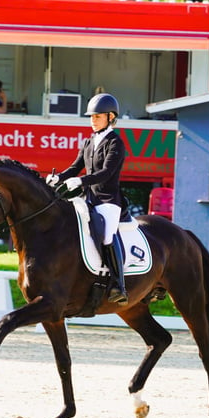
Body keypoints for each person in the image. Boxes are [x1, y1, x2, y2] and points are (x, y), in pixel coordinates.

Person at [46, 92, 128, 305]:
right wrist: (59, 177)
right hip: (88, 199)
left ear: (111, 117)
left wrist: (81, 182)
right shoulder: (89, 141)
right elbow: (75, 167)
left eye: (98, 116)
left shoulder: (115, 143)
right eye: (91, 117)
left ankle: (119, 284)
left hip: (108, 200)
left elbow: (106, 173)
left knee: (107, 236)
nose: (93, 120)